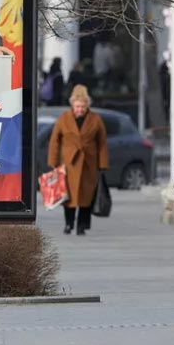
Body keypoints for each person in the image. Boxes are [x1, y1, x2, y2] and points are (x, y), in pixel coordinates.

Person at [47, 84, 109, 236]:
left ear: (87, 105)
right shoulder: (64, 118)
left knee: (86, 197)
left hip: (89, 163)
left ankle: (82, 226)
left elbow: (101, 142)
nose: (80, 109)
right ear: (72, 105)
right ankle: (68, 224)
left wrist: (102, 164)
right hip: (69, 163)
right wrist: (53, 162)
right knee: (68, 197)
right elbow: (55, 140)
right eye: (78, 106)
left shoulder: (95, 119)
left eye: (83, 106)